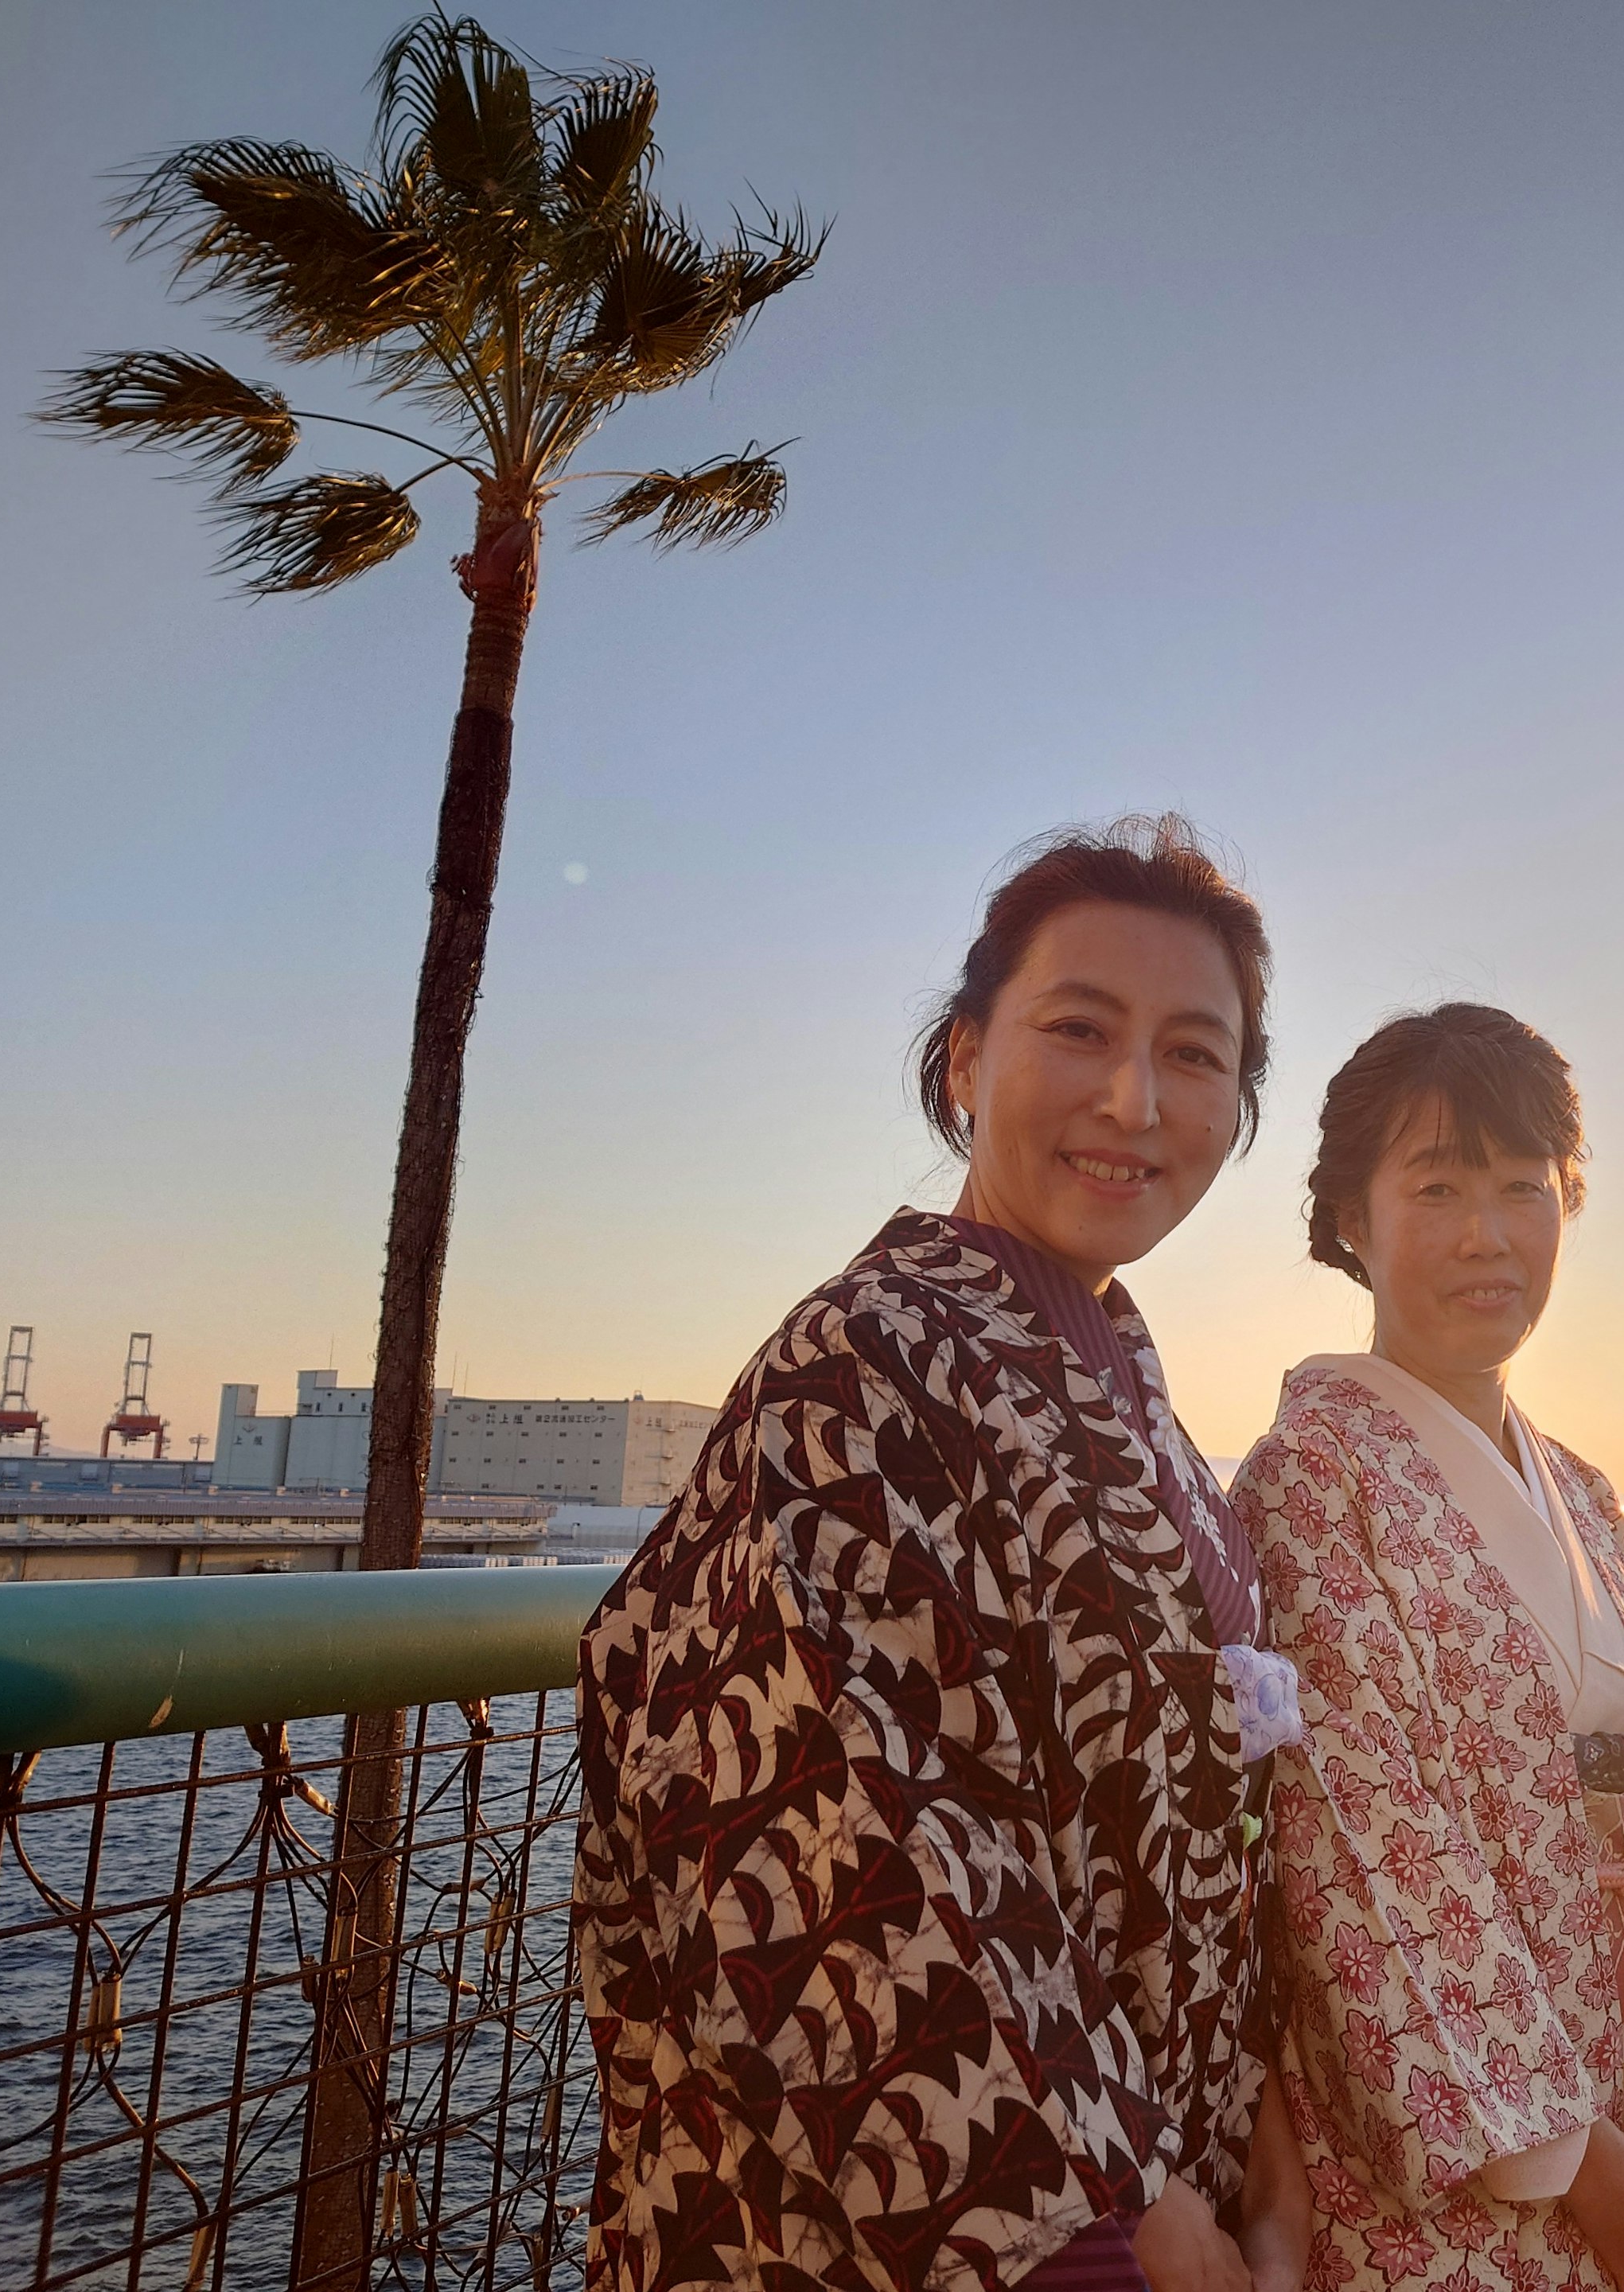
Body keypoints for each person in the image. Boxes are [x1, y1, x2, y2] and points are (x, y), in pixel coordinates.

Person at [576, 819, 1310, 2292]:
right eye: (1078, 1029)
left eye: (1194, 1054)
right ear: (967, 1059)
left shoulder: (1124, 1375)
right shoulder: (863, 1362)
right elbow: (850, 1846)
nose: (1132, 1098)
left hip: (1189, 2189)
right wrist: (1143, 2228)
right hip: (945, 2240)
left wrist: (1266, 2147)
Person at [1230, 1005, 1624, 2292]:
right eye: (1436, 1187)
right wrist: (1586, 2165)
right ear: (1352, 1222)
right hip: (1459, 2164)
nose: (1487, 1234)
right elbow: (1359, 1850)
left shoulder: (1586, 1493)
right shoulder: (1310, 1484)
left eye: (1523, 1189)